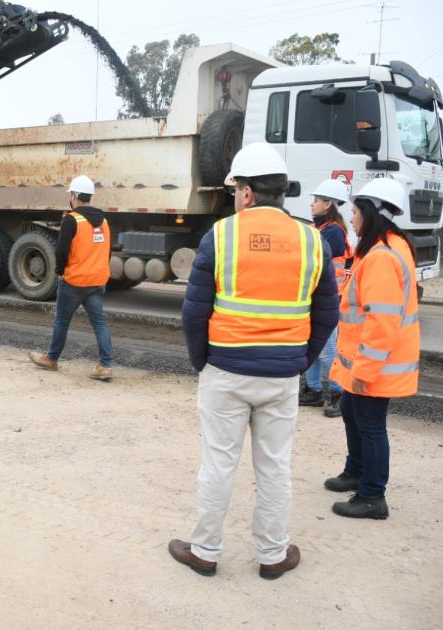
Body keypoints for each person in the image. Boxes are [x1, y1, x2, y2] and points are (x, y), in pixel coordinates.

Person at [169, 143, 339, 580]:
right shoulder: (312, 239)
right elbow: (327, 312)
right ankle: (272, 555)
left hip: (226, 372)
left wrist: (202, 361)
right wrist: (302, 361)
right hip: (282, 376)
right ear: (280, 193)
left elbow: (194, 312)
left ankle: (205, 551)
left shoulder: (220, 235)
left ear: (246, 193)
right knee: (275, 467)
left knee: (219, 463)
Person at [325, 178, 420, 520]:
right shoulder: (387, 247)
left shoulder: (381, 257)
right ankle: (356, 472)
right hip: (365, 363)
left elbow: (381, 323)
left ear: (371, 212)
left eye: (354, 211)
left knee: (370, 425)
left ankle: (372, 496)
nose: (351, 218)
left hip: (374, 365)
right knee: (352, 412)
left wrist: (365, 371)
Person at [28, 175, 113, 381]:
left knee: (62, 321)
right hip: (97, 280)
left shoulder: (71, 219)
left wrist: (60, 271)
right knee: (99, 323)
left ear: (74, 196)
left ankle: (52, 359)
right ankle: (105, 366)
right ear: (90, 196)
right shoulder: (104, 221)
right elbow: (107, 252)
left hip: (74, 280)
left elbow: (61, 251)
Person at [300, 179, 353, 417]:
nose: (312, 204)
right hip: (317, 297)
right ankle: (313, 390)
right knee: (312, 344)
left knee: (328, 348)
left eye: (317, 200)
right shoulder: (321, 228)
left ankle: (337, 392)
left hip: (330, 299)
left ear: (328, 203)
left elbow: (313, 260)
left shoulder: (331, 231)